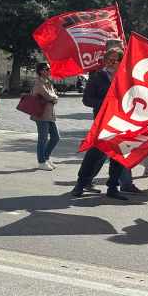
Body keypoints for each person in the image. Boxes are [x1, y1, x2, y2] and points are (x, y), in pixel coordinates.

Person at [71, 46, 130, 201]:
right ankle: (81, 184)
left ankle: (112, 187)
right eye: (107, 60)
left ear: (120, 62)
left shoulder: (127, 78)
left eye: (113, 60)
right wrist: (105, 103)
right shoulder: (98, 76)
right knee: (94, 155)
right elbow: (87, 99)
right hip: (103, 121)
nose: (109, 63)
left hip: (122, 123)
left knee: (118, 156)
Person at [31, 61, 59, 171]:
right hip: (41, 114)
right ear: (42, 71)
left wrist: (54, 97)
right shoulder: (38, 83)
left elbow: (54, 95)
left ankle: (46, 157)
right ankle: (41, 162)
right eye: (47, 69)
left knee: (56, 137)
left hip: (49, 114)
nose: (49, 71)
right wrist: (54, 97)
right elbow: (48, 96)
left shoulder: (48, 81)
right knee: (42, 138)